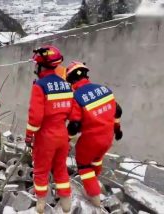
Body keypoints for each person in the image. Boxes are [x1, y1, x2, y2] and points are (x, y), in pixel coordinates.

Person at [25, 45, 75, 214]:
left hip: (45, 137)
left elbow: (35, 117)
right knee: (60, 168)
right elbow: (72, 114)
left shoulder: (40, 86)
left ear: (41, 66)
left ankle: (40, 203)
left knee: (41, 169)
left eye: (36, 65)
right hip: (62, 135)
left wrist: (29, 136)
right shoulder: (66, 85)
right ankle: (66, 202)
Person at [66, 61, 123, 207]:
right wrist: (117, 130)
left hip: (90, 141)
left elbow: (74, 125)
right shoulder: (104, 90)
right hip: (108, 138)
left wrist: (66, 140)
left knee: (84, 166)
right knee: (96, 160)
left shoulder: (77, 97)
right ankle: (95, 181)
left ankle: (95, 199)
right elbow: (117, 111)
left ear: (72, 80)